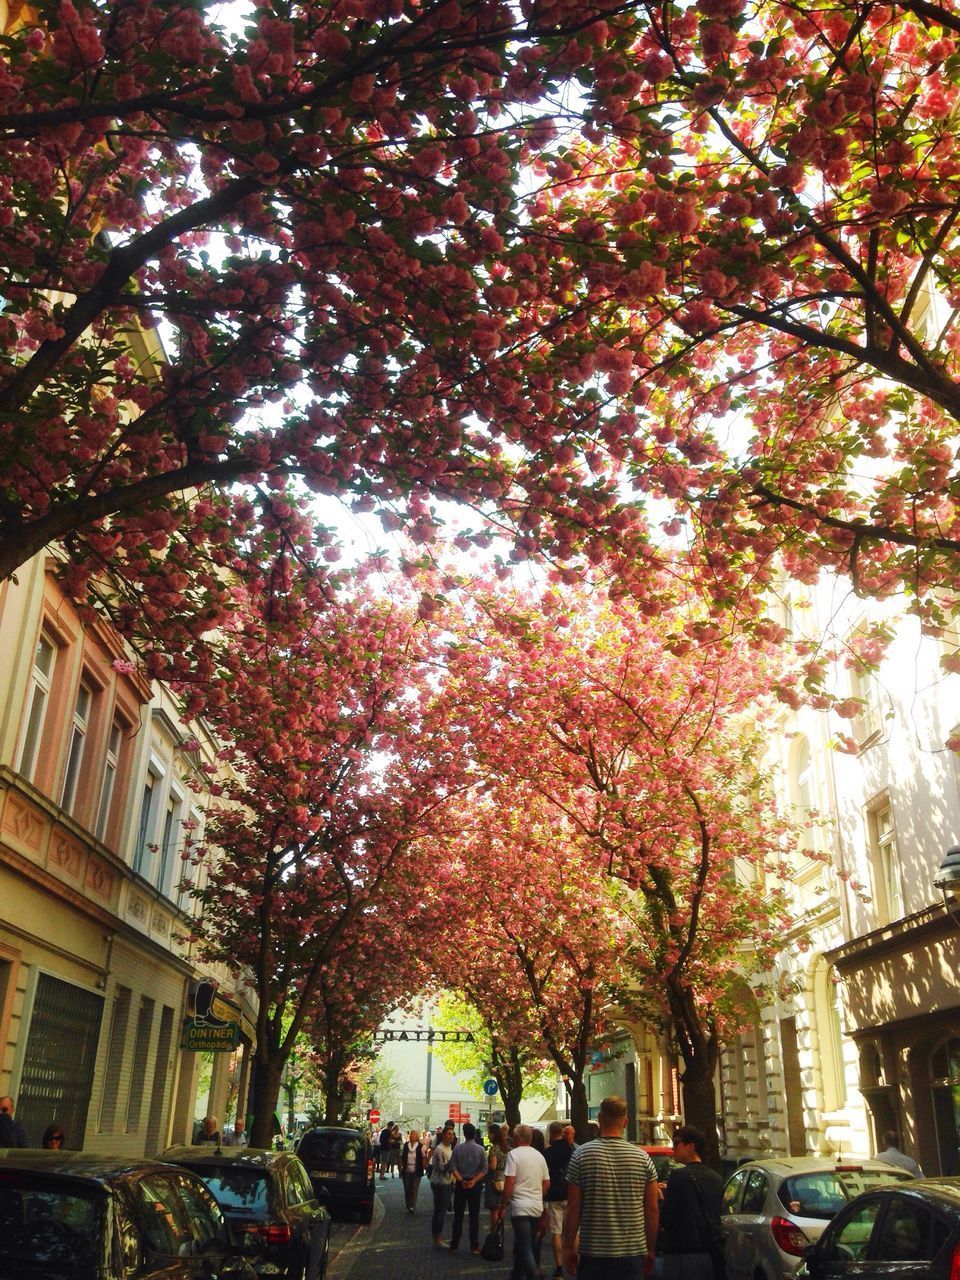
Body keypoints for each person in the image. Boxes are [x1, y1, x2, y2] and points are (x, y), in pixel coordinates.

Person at [562, 1095, 659, 1280]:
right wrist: (651, 1249)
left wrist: (568, 1248)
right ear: (625, 1121)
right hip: (632, 1252)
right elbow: (652, 1209)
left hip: (593, 1252)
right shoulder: (642, 1158)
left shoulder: (581, 1155)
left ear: (599, 1119)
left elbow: (573, 1207)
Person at [659, 1126, 724, 1280]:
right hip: (709, 1254)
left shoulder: (678, 1176)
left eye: (677, 1143)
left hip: (681, 1255)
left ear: (691, 1146)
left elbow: (666, 1218)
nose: (673, 1148)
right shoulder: (716, 1178)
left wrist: (661, 1199)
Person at [502, 1124, 550, 1280]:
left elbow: (509, 1182)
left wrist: (504, 1204)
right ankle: (516, 1274)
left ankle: (532, 1275)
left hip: (520, 1206)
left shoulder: (513, 1155)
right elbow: (546, 1183)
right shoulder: (539, 1156)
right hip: (536, 1206)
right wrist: (536, 1195)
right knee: (525, 1242)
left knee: (525, 1247)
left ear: (516, 1138)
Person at [448, 1121, 488, 1253]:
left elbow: (452, 1167)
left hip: (461, 1184)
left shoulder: (458, 1148)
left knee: (458, 1216)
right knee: (474, 1216)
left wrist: (461, 1180)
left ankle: (454, 1244)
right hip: (475, 1185)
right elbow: (484, 1169)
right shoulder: (481, 1150)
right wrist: (474, 1181)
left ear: (464, 1134)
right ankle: (474, 1245)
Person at [545, 1119, 574, 1280]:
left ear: (550, 1133)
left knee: (556, 1232)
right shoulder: (570, 1149)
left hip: (555, 1194)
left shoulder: (548, 1153)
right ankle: (574, 1260)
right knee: (573, 1230)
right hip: (570, 1192)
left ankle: (559, 1267)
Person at [429, 1125, 455, 1246]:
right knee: (439, 1210)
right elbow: (442, 1168)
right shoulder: (440, 1149)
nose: (451, 1136)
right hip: (440, 1183)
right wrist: (452, 1162)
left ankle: (438, 1236)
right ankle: (437, 1237)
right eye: (449, 1134)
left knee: (442, 1210)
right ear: (444, 1135)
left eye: (452, 1134)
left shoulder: (449, 1148)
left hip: (448, 1182)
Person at [485, 1121, 509, 1231]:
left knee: (494, 1210)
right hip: (504, 1179)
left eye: (489, 1133)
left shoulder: (494, 1148)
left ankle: (494, 1232)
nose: (488, 1136)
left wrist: (486, 1165)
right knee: (501, 1208)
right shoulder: (505, 1147)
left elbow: (493, 1166)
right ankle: (500, 1230)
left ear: (494, 1134)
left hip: (495, 1180)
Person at [401, 1128, 426, 1212]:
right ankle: (408, 1205)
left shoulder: (420, 1146)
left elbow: (423, 1157)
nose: (413, 1136)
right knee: (407, 1189)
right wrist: (400, 1165)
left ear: (417, 1136)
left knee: (414, 1189)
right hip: (406, 1169)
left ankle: (412, 1205)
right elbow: (402, 1156)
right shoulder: (406, 1145)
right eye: (411, 1134)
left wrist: (424, 1166)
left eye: (414, 1135)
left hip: (416, 1170)